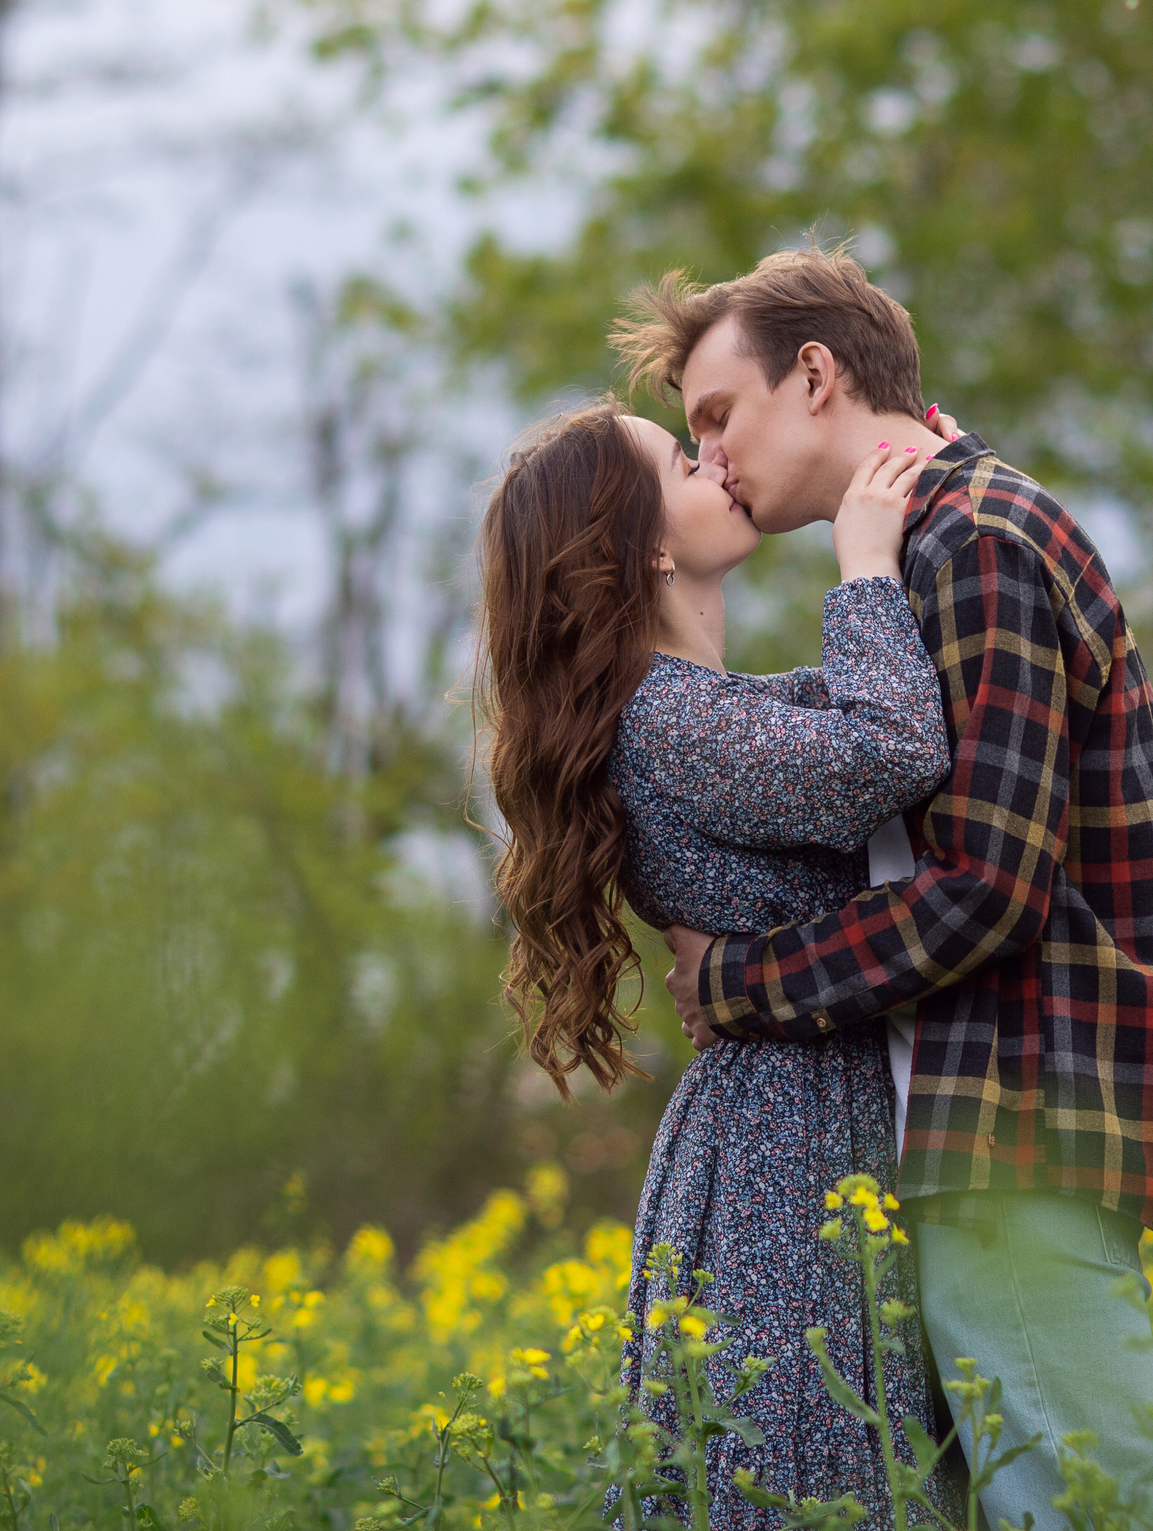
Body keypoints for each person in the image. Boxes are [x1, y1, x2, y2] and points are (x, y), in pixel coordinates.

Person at [636, 247, 1153, 1531]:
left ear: (816, 376)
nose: (709, 456)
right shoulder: (940, 536)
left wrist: (740, 981)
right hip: (990, 1115)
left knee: (1083, 1508)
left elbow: (988, 889)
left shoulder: (975, 542)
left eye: (718, 415)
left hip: (1022, 1114)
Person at [476, 398, 961, 1527]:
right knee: (804, 1474)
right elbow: (889, 747)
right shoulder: (666, 721)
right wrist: (863, 568)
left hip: (797, 1115)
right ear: (644, 544)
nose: (718, 463)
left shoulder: (697, 709)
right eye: (683, 461)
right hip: (787, 1147)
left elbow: (855, 709)